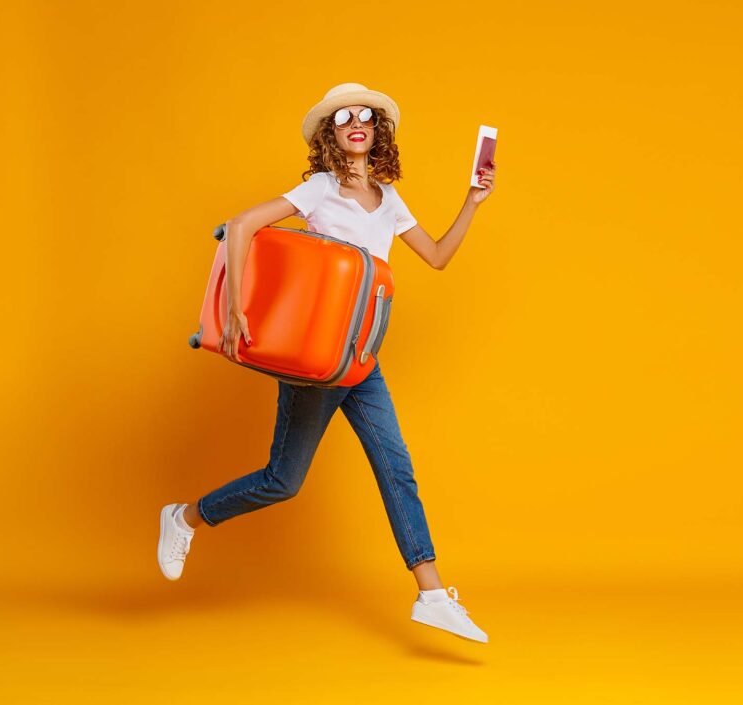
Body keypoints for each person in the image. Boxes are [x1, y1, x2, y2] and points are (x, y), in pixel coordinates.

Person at [157, 83, 496, 643]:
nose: (356, 122)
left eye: (366, 116)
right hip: (316, 358)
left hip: (363, 356)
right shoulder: (319, 189)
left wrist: (472, 203)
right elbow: (241, 227)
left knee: (396, 469)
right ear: (332, 136)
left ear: (377, 132)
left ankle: (432, 593)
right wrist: (236, 305)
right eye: (343, 118)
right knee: (282, 482)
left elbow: (435, 257)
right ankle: (185, 517)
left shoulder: (388, 199)